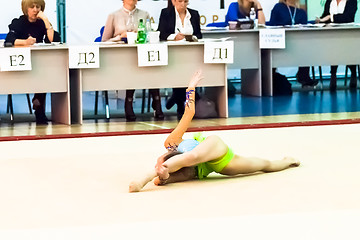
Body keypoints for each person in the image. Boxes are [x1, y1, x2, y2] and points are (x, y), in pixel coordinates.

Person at [129, 70, 300, 192]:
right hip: (219, 165)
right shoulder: (187, 171)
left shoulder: (172, 143)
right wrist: (165, 177)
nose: (158, 163)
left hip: (213, 147)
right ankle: (287, 161)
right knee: (264, 165)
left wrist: (191, 88)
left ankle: (143, 178)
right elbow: (166, 179)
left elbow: (189, 112)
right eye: (160, 165)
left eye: (159, 164)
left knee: (191, 156)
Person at [102, 0, 164, 121]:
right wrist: (121, 36)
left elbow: (149, 35)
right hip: (121, 56)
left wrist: (140, 34)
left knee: (151, 66)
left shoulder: (144, 14)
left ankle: (156, 100)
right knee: (132, 67)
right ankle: (129, 101)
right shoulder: (113, 15)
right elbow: (104, 40)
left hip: (141, 53)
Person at [4, 0, 60, 125]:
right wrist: (25, 42)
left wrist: (46, 20)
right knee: (40, 73)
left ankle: (39, 107)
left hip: (37, 63)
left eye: (38, 7)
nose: (35, 10)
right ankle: (38, 104)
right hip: (19, 62)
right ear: (26, 9)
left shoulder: (41, 23)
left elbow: (55, 40)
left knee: (45, 72)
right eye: (32, 7)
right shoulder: (18, 22)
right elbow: (8, 41)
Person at [157, 0, 202, 120]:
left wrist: (191, 37)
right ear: (173, 1)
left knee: (188, 73)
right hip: (173, 54)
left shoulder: (194, 14)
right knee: (178, 73)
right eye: (180, 1)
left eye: (185, 1)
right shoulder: (166, 13)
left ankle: (177, 98)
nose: (183, 4)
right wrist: (174, 37)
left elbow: (199, 34)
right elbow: (161, 33)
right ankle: (181, 102)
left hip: (191, 54)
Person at [268, 0, 318, 87]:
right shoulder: (278, 7)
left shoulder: (301, 12)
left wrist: (315, 22)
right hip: (280, 40)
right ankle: (270, 75)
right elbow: (272, 24)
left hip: (297, 42)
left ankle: (303, 76)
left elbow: (304, 26)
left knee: (306, 45)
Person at [316, 0, 358, 91]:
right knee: (333, 49)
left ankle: (353, 73)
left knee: (349, 49)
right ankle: (333, 74)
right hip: (332, 34)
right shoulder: (329, 1)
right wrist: (320, 20)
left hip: (348, 34)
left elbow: (348, 17)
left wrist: (330, 17)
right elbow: (325, 16)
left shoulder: (352, 1)